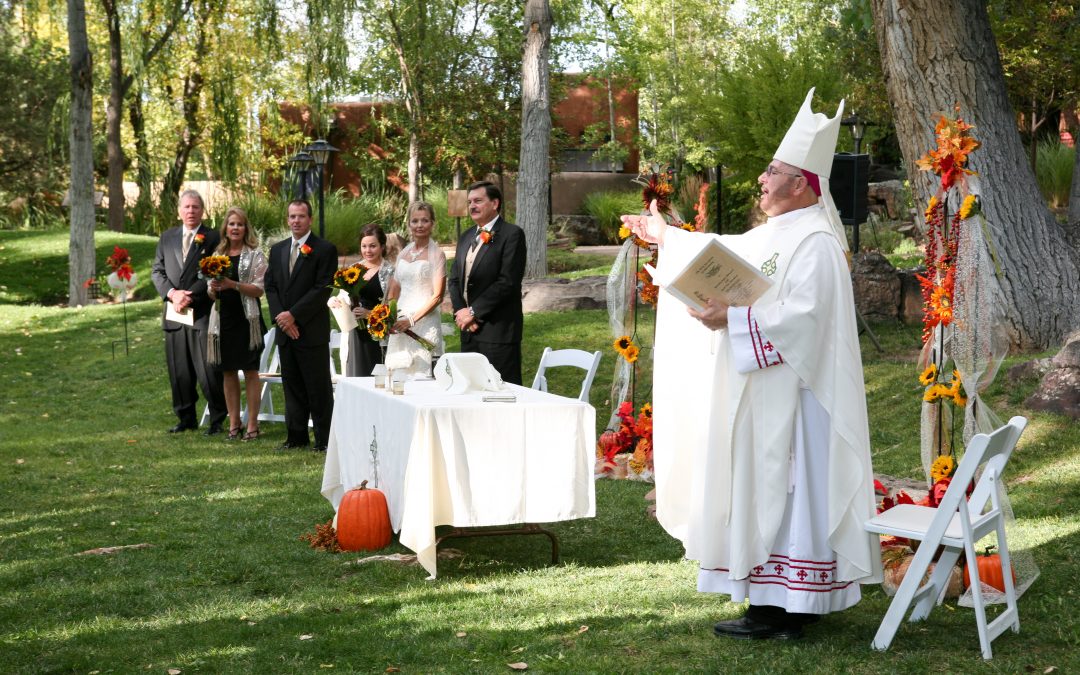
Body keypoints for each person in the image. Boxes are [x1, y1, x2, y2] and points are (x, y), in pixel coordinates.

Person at [621, 89, 882, 640]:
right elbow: (725, 251)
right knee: (760, 491)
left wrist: (732, 321)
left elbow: (805, 321)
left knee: (791, 496)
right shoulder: (776, 233)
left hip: (800, 399)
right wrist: (665, 236)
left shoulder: (816, 242)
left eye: (772, 172)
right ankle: (767, 603)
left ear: (803, 184)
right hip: (762, 389)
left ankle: (793, 609)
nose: (762, 180)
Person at [263, 200, 338, 452]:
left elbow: (322, 288)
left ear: (310, 219)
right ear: (287, 219)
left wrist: (294, 315)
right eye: (292, 216)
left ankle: (324, 439)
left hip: (310, 329)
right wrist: (281, 318)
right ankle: (296, 437)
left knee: (318, 387)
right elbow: (270, 286)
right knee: (292, 384)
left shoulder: (325, 249)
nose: (296, 221)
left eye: (301, 216)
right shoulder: (277, 250)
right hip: (286, 331)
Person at [151, 189, 227, 435]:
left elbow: (215, 271)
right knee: (179, 369)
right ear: (179, 211)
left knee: (208, 369)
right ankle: (185, 418)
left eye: (195, 207)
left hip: (201, 313)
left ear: (202, 210)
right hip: (174, 313)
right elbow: (157, 271)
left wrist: (189, 295)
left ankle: (217, 418)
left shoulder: (213, 237)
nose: (191, 211)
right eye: (186, 207)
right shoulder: (167, 237)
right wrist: (173, 295)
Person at [446, 181, 527, 384]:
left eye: (478, 201)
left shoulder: (512, 235)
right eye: (470, 201)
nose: (472, 205)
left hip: (498, 331)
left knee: (501, 391)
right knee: (470, 390)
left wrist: (473, 312)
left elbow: (507, 282)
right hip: (469, 331)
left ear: (495, 203)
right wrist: (461, 312)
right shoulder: (465, 237)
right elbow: (455, 279)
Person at [206, 207, 268, 441]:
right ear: (226, 227)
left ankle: (252, 424)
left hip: (247, 321)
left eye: (239, 224)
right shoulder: (217, 253)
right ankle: (234, 423)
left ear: (245, 228)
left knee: (251, 372)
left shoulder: (255, 255)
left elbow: (259, 289)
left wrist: (233, 285)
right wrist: (212, 289)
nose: (235, 228)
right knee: (228, 372)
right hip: (223, 321)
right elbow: (210, 291)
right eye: (231, 224)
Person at [385, 201, 446, 377]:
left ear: (432, 224)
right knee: (398, 373)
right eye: (415, 221)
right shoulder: (404, 252)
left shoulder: (437, 254)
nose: (419, 225)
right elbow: (394, 289)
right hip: (400, 321)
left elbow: (438, 296)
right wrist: (390, 314)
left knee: (421, 373)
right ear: (409, 224)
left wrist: (411, 321)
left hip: (423, 322)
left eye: (425, 220)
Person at [345, 224, 393, 377]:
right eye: (364, 246)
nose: (368, 250)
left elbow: (393, 309)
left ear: (382, 246)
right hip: (357, 333)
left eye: (373, 246)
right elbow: (346, 297)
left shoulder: (390, 271)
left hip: (378, 332)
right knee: (357, 374)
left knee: (377, 378)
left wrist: (369, 314)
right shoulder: (353, 269)